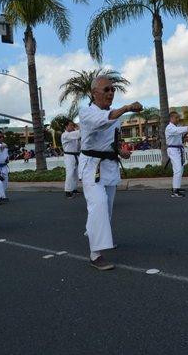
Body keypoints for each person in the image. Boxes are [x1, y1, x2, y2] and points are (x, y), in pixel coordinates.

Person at [79, 75, 142, 270]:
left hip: (109, 166)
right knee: (98, 204)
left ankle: (95, 232)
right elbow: (101, 122)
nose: (110, 93)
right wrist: (127, 108)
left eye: (113, 89)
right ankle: (95, 254)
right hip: (92, 167)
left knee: (107, 208)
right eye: (106, 89)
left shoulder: (115, 116)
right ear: (94, 93)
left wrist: (120, 150)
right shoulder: (86, 112)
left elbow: (112, 140)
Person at [165, 111, 188, 197]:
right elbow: (178, 130)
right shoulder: (170, 127)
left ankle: (176, 187)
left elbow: (179, 132)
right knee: (178, 170)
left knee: (180, 169)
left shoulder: (176, 127)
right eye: (176, 118)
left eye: (178, 117)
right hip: (173, 150)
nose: (178, 119)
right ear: (171, 118)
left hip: (178, 149)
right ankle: (175, 191)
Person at [61, 121, 81, 198]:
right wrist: (79, 128)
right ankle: (68, 190)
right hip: (69, 156)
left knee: (76, 173)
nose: (72, 127)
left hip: (76, 155)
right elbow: (78, 134)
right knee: (70, 173)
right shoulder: (65, 135)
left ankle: (74, 188)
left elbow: (79, 142)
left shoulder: (73, 134)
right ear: (66, 127)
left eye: (73, 125)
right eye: (71, 125)